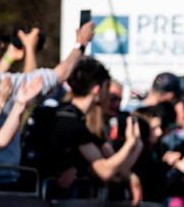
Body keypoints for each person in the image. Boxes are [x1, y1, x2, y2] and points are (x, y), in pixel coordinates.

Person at [0, 21, 94, 186]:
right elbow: (52, 78)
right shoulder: (1, 83)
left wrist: (9, 57)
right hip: (2, 176)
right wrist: (80, 44)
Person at [49, 57, 141, 198]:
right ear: (98, 89)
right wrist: (131, 143)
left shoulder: (71, 116)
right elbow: (104, 171)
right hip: (51, 200)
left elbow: (105, 165)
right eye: (107, 88)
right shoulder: (71, 120)